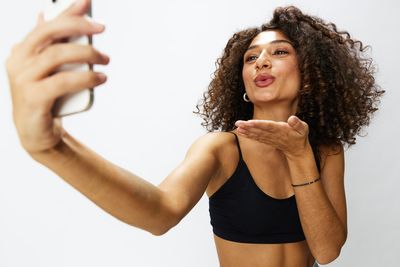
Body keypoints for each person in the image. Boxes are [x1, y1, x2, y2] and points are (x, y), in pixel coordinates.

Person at [6, 0, 384, 266]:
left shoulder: (325, 151)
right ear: (243, 81)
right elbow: (159, 212)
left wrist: (300, 156)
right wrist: (53, 147)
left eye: (279, 52)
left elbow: (328, 250)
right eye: (251, 57)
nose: (262, 61)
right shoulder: (221, 149)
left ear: (310, 76)